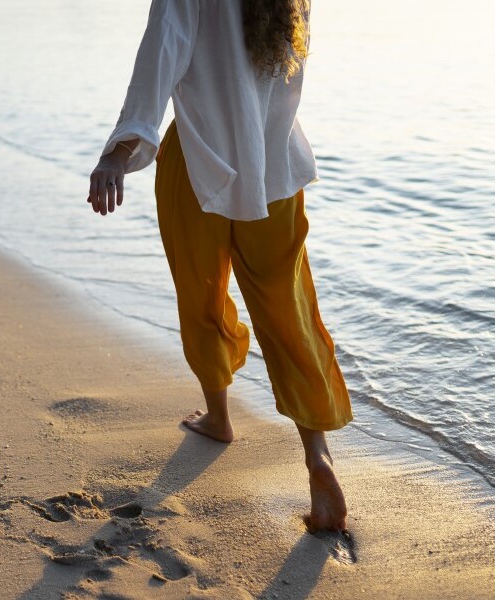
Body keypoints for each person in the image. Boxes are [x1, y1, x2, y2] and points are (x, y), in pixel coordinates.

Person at [86, 0, 352, 532]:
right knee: (288, 308)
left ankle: (220, 417)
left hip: (198, 161)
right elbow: (279, 81)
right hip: (275, 166)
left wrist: (120, 151)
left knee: (201, 291)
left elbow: (159, 58)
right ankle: (316, 455)